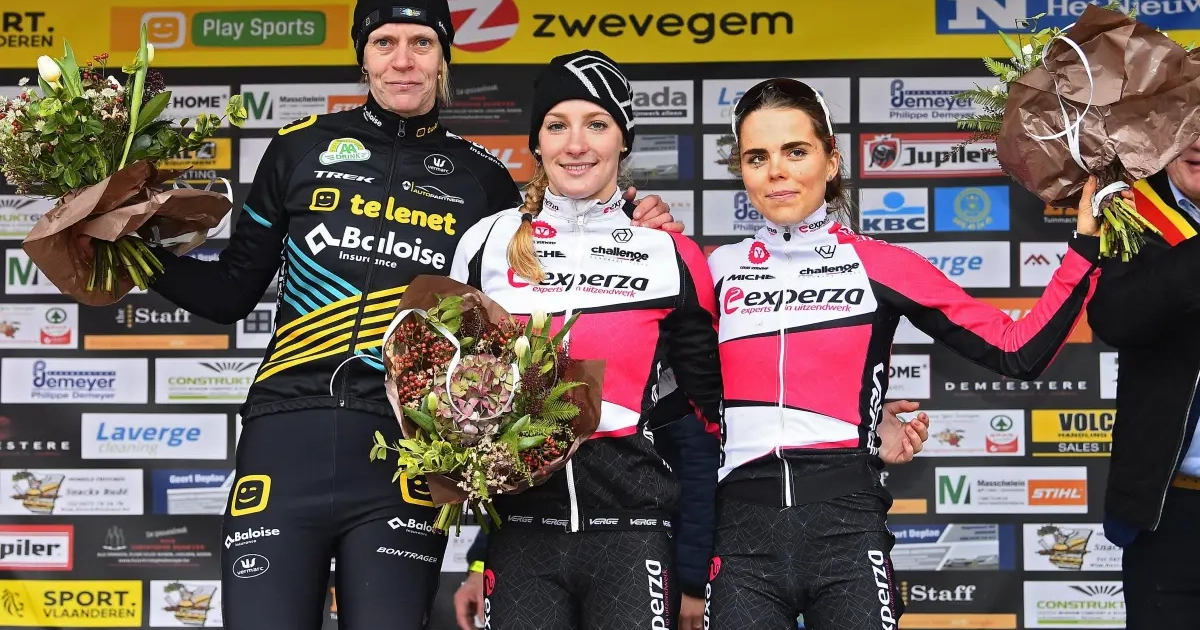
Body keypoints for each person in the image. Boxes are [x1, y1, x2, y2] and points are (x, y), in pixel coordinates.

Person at [142, 3, 679, 628]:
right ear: (362, 56)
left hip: (406, 450)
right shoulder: (298, 148)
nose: (403, 61)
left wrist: (633, 219)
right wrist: (122, 251)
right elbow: (230, 292)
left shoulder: (483, 180)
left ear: (444, 56)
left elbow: (541, 280)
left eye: (421, 42)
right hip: (285, 435)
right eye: (385, 42)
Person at [703, 78, 1101, 630]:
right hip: (742, 538)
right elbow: (678, 395)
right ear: (742, 172)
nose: (776, 171)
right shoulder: (715, 270)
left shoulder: (882, 264)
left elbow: (1017, 351)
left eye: (796, 151)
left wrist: (1085, 243)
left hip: (847, 533)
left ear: (831, 160)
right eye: (757, 157)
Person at [445, 49, 723, 630]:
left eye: (596, 124)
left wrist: (695, 572)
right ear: (536, 141)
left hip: (633, 537)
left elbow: (713, 410)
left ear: (623, 140)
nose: (575, 145)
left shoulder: (668, 251)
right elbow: (459, 399)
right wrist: (476, 558)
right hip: (521, 539)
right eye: (557, 125)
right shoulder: (487, 242)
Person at [1087, 137, 1200, 630]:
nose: (1199, 142)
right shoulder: (1132, 209)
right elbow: (1115, 317)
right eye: (1188, 124)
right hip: (1172, 509)